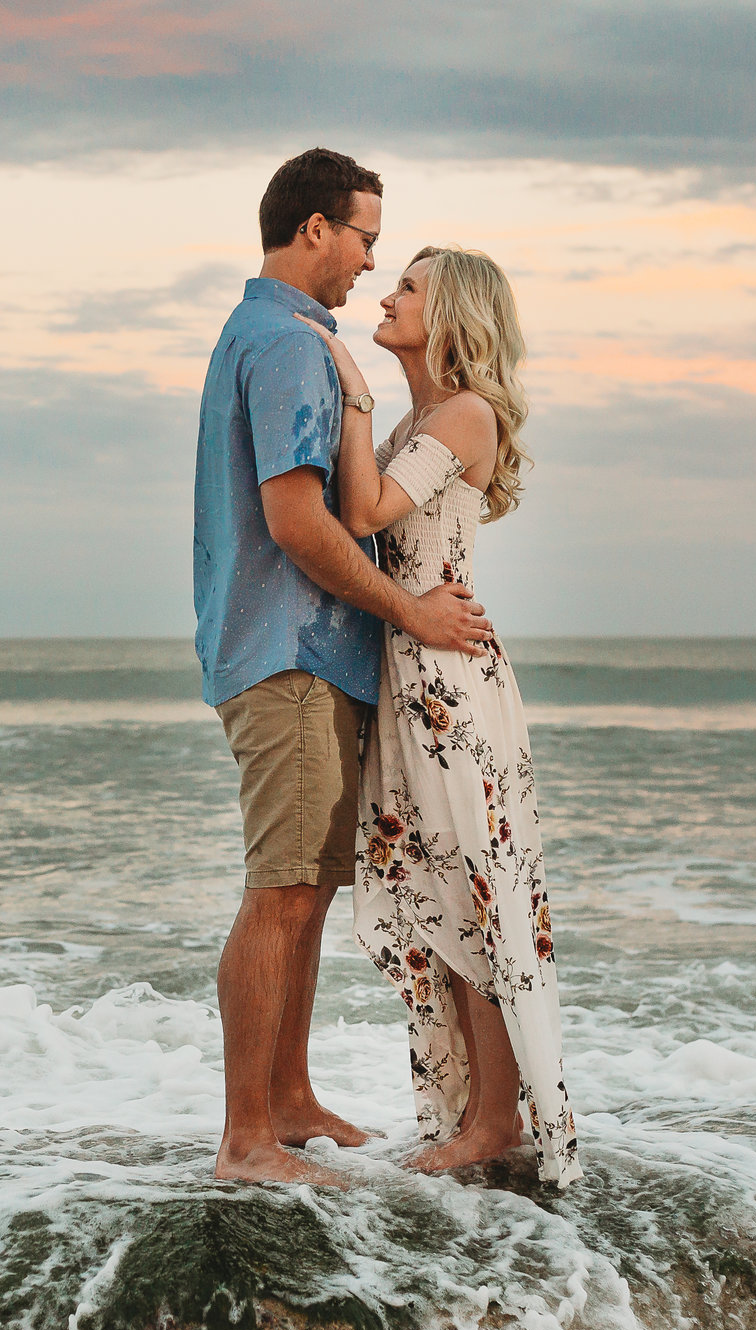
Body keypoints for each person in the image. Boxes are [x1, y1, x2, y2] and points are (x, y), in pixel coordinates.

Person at [194, 150, 498, 1186]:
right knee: (281, 887)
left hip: (315, 653)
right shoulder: (287, 344)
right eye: (366, 236)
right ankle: (246, 1137)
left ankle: (285, 1095)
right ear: (313, 230)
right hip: (288, 648)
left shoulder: (297, 342)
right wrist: (408, 608)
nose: (371, 260)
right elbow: (297, 522)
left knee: (310, 887)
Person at [294, 247, 585, 1188]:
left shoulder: (464, 413)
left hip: (449, 682)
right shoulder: (430, 416)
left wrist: (352, 391)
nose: (388, 294)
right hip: (413, 668)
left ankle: (496, 1120)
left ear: (452, 312)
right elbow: (350, 512)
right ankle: (481, 1111)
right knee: (438, 890)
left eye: (408, 287)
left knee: (472, 894)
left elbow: (367, 504)